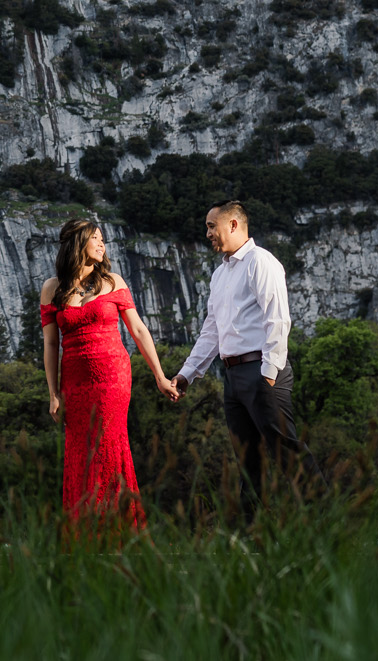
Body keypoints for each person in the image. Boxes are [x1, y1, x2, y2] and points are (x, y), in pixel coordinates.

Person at [40, 217, 178, 527]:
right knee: (79, 450)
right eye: (96, 238)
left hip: (112, 378)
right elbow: (51, 344)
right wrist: (52, 392)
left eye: (103, 239)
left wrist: (159, 376)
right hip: (73, 384)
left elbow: (139, 331)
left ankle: (118, 527)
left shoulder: (113, 281)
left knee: (108, 445)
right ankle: (84, 529)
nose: (103, 244)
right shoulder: (52, 288)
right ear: (79, 244)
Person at [174, 200, 307, 518]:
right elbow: (212, 330)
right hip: (233, 377)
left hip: (261, 371)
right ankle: (253, 539)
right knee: (248, 461)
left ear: (233, 224)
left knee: (286, 453)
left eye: (211, 226)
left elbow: (278, 317)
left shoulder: (261, 262)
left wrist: (270, 370)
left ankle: (330, 531)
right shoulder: (219, 275)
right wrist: (186, 375)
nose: (207, 233)